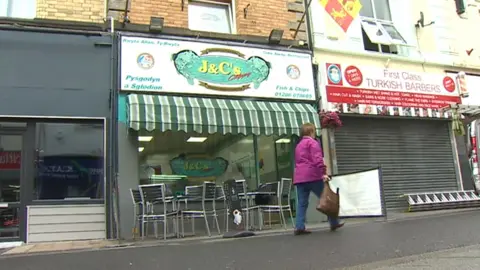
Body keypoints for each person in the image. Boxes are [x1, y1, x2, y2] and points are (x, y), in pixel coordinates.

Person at [293, 123, 344, 235]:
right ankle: (334, 222)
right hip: (312, 176)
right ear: (311, 131)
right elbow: (317, 160)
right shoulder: (313, 143)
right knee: (326, 198)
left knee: (302, 203)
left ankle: (299, 226)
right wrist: (324, 173)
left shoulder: (298, 145)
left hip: (300, 178)